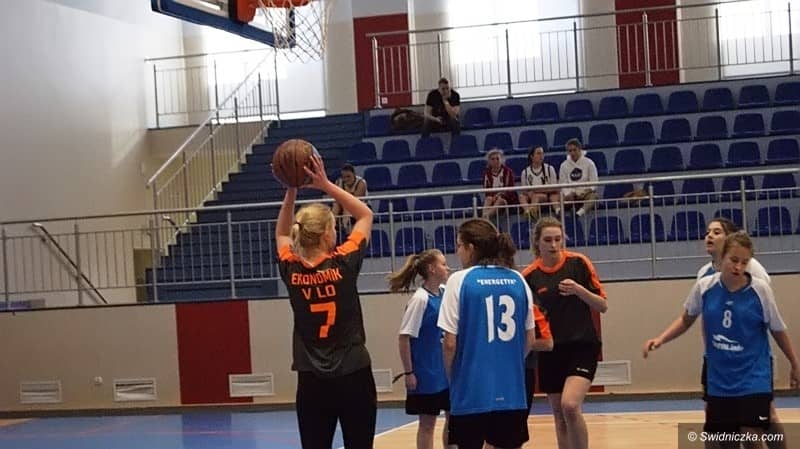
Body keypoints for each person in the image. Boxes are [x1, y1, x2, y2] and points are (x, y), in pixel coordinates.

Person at [643, 232, 800, 447]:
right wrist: (661, 339)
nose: (738, 267)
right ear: (723, 257)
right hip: (720, 378)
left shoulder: (760, 290)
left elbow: (777, 329)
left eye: (744, 262)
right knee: (723, 440)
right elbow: (686, 319)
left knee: (750, 431)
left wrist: (794, 363)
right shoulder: (705, 287)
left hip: (753, 374)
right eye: (733, 260)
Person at [274, 154, 377, 449]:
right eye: (332, 228)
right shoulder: (344, 264)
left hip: (311, 379)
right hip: (353, 373)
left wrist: (291, 187)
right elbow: (365, 215)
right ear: (327, 235)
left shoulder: (291, 269)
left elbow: (281, 232)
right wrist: (327, 185)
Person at [438, 218, 552, 449]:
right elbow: (530, 339)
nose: (457, 252)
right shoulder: (518, 279)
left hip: (471, 391)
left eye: (459, 246)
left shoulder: (459, 280)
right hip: (511, 392)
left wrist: (453, 377)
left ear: (471, 248)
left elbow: (449, 343)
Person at [696, 217, 786, 449]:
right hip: (718, 360)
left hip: (750, 360)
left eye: (717, 232)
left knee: (762, 419)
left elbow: (763, 309)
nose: (709, 236)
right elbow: (703, 317)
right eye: (708, 232)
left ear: (729, 240)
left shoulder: (752, 269)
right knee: (716, 425)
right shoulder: (704, 275)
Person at [520, 216, 609, 449]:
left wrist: (579, 290)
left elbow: (602, 305)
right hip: (551, 351)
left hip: (582, 346)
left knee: (570, 405)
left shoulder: (579, 263)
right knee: (559, 415)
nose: (553, 245)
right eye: (548, 240)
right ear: (537, 243)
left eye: (558, 239)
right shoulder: (529, 277)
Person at [389, 249, 455, 449]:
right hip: (427, 373)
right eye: (443, 264)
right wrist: (409, 372)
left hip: (446, 371)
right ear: (432, 269)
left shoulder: (444, 292)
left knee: (454, 420)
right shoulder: (420, 299)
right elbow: (404, 338)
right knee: (427, 424)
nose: (447, 267)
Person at [557, 139, 599, 218]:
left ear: (580, 149)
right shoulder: (563, 165)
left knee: (594, 196)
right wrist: (569, 193)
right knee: (558, 197)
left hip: (585, 193)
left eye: (574, 150)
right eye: (570, 151)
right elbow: (562, 183)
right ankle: (559, 215)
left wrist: (587, 190)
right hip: (570, 194)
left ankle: (579, 213)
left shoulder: (589, 163)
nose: (572, 153)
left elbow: (595, 182)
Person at [519, 146, 559, 220]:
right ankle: (527, 211)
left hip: (546, 195)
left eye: (542, 153)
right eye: (538, 153)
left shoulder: (549, 168)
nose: (541, 156)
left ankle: (532, 214)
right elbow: (524, 190)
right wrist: (528, 193)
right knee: (521, 196)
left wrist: (536, 191)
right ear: (532, 156)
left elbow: (555, 188)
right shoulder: (525, 172)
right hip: (531, 195)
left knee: (536, 196)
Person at [482, 149, 518, 221]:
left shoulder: (508, 172)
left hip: (507, 200)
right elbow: (487, 191)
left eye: (497, 158)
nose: (495, 161)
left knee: (500, 200)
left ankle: (485, 218)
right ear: (489, 161)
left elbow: (510, 190)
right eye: (493, 159)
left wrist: (499, 195)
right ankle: (484, 215)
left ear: (502, 160)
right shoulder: (486, 173)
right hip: (493, 199)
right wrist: (493, 197)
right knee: (488, 199)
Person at [331, 163, 369, 232]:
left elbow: (356, 199)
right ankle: (332, 225)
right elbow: (336, 196)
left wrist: (345, 193)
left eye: (348, 176)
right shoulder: (338, 182)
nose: (346, 179)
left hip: (361, 207)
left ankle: (345, 227)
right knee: (336, 204)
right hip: (343, 205)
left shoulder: (361, 182)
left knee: (348, 205)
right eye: (343, 177)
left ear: (354, 174)